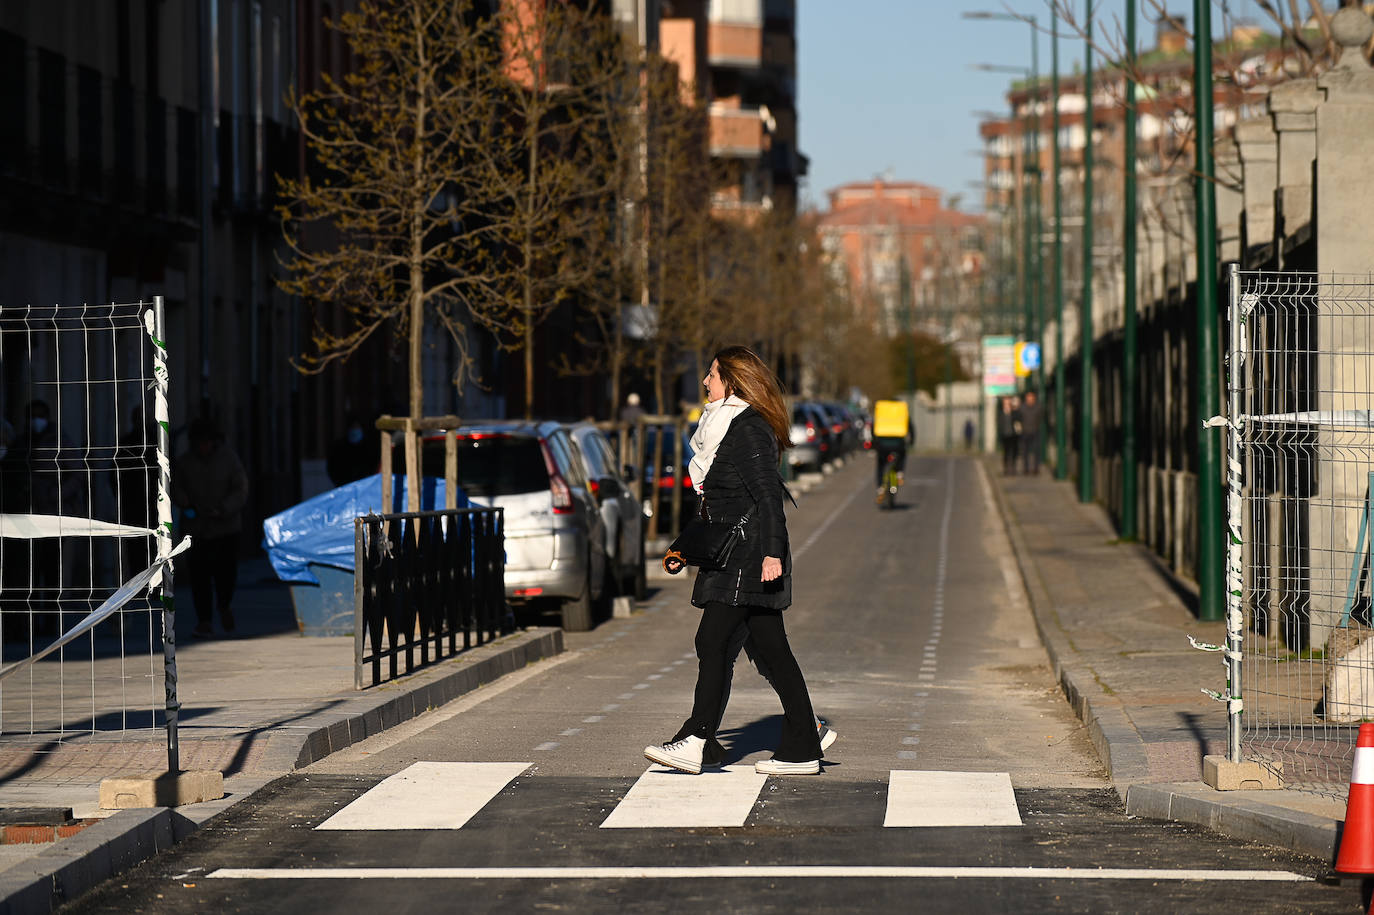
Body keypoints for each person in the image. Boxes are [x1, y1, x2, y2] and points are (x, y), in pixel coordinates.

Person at [644, 345, 825, 776]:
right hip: (730, 555)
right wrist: (682, 548)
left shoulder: (747, 429)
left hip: (747, 557)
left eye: (712, 375)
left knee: (713, 641)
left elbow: (768, 498)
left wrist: (770, 555)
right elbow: (718, 503)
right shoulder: (721, 427)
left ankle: (697, 738)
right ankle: (803, 735)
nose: (705, 382)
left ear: (733, 381)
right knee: (770, 650)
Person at [172, 417, 249, 638]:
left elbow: (241, 489)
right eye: (198, 443)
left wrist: (224, 508)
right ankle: (204, 620)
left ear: (214, 442)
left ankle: (224, 605)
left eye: (206, 442)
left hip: (226, 527)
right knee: (200, 577)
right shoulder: (185, 463)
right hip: (196, 529)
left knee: (226, 573)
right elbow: (176, 487)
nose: (202, 447)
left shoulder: (228, 459)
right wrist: (184, 501)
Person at [870, 398, 913, 500]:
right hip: (898, 444)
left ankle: (880, 487)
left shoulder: (882, 412)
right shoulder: (901, 412)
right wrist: (911, 441)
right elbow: (911, 428)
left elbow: (873, 427)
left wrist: (874, 442)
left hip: (882, 445)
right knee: (902, 455)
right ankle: (899, 473)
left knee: (880, 465)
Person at [326, 414, 375, 486]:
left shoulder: (369, 447)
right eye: (353, 427)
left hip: (365, 486)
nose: (355, 429)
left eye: (357, 427)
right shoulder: (339, 448)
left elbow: (372, 468)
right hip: (344, 486)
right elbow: (333, 469)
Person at [1020, 390, 1043, 475]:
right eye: (1028, 397)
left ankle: (1036, 469)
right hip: (1025, 431)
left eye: (1031, 397)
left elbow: (1041, 417)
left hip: (1035, 431)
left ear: (1034, 398)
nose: (1029, 398)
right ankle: (1026, 469)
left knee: (1036, 450)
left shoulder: (1038, 407)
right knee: (1025, 451)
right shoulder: (1022, 407)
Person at [998, 396, 1021, 475]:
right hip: (1005, 435)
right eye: (1005, 403)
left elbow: (1018, 420)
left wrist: (1015, 409)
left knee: (1014, 452)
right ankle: (1006, 468)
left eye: (1008, 403)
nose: (1007, 404)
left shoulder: (1014, 412)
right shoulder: (1001, 413)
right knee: (1006, 453)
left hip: (1013, 435)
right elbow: (999, 424)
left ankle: (1013, 468)